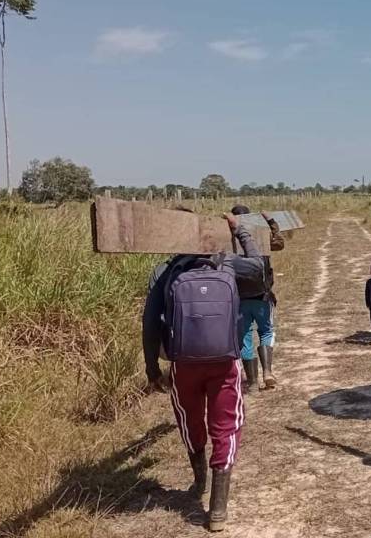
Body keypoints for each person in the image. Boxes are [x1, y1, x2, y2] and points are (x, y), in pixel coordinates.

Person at [142, 213, 265, 532]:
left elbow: (150, 321)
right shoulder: (226, 264)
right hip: (225, 361)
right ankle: (218, 510)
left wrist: (152, 367)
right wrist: (241, 231)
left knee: (190, 419)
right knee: (226, 426)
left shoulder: (165, 270)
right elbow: (259, 267)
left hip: (183, 363)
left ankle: (199, 483)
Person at [229, 205, 285, 393]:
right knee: (266, 332)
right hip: (262, 296)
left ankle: (252, 383)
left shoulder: (226, 241)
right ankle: (267, 372)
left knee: (244, 337)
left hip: (240, 299)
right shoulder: (261, 238)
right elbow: (279, 242)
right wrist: (271, 222)